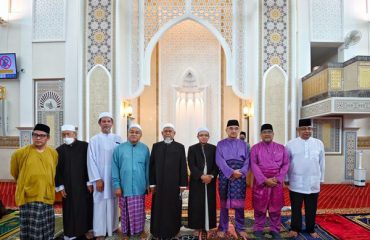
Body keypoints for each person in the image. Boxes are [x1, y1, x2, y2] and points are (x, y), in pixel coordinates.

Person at [10, 123, 58, 239]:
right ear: (32, 136)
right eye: (35, 135)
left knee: (47, 229)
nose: (38, 138)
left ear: (48, 138)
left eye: (42, 135)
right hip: (29, 196)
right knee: (30, 231)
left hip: (47, 196)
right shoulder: (20, 153)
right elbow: (15, 172)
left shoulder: (53, 153)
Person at [286, 119, 325, 239]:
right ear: (298, 130)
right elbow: (286, 163)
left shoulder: (319, 143)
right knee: (296, 208)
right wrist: (286, 178)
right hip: (296, 181)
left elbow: (322, 162)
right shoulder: (290, 144)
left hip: (313, 181)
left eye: (309, 128)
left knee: (311, 208)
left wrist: (321, 179)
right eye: (303, 129)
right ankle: (295, 228)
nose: (307, 131)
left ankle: (310, 228)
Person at [250, 124, 289, 239]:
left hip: (276, 182)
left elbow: (286, 164)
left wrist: (278, 179)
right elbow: (253, 164)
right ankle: (258, 228)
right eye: (264, 132)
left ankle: (275, 229)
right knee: (259, 208)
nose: (267, 134)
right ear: (261, 134)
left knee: (275, 208)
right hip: (261, 182)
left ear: (273, 134)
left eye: (269, 132)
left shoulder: (281, 148)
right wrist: (264, 180)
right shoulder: (255, 148)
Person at [149, 123, 188, 239]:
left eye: (170, 131)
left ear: (174, 133)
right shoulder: (156, 146)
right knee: (158, 206)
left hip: (174, 184)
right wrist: (152, 183)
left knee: (173, 206)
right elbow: (152, 165)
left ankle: (173, 230)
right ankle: (156, 230)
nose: (167, 133)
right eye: (165, 131)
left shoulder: (180, 147)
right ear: (162, 133)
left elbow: (183, 166)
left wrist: (183, 184)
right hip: (159, 184)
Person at [112, 123, 150, 240]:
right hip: (124, 186)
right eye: (131, 132)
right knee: (125, 211)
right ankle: (125, 232)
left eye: (137, 132)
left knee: (139, 211)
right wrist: (117, 185)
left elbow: (148, 168)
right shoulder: (119, 149)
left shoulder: (145, 148)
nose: (134, 134)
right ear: (128, 134)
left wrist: (148, 184)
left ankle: (141, 230)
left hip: (140, 186)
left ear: (141, 135)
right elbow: (114, 168)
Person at [55, 124, 93, 239]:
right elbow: (57, 169)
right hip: (68, 187)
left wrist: (89, 182)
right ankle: (70, 233)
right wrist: (60, 186)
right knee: (69, 210)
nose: (66, 136)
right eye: (64, 134)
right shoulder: (59, 150)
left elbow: (89, 165)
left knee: (85, 208)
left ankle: (86, 231)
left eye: (68, 134)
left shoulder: (85, 146)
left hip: (83, 185)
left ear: (74, 134)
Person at [87, 112, 122, 239]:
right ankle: (99, 231)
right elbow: (91, 160)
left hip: (114, 177)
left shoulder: (118, 138)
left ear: (112, 123)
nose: (106, 123)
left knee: (113, 202)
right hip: (100, 177)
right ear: (99, 123)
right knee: (100, 203)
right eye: (104, 121)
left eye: (108, 121)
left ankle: (113, 227)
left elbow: (121, 158)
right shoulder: (94, 140)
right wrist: (96, 179)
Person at [216, 119, 250, 239]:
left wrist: (240, 172)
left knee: (239, 204)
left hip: (239, 178)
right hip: (226, 177)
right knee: (224, 203)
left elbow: (247, 161)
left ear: (238, 130)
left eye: (236, 128)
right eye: (231, 128)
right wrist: (230, 172)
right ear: (226, 130)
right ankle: (223, 227)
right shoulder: (220, 144)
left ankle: (240, 227)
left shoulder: (245, 145)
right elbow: (219, 160)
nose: (233, 131)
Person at [187, 127, 218, 240]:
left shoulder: (214, 148)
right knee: (196, 202)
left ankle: (209, 224)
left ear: (208, 137)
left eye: (206, 135)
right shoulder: (192, 148)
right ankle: (197, 225)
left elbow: (217, 165)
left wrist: (211, 176)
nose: (204, 137)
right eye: (201, 135)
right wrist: (201, 176)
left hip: (210, 180)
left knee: (209, 202)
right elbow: (191, 164)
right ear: (198, 136)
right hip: (197, 180)